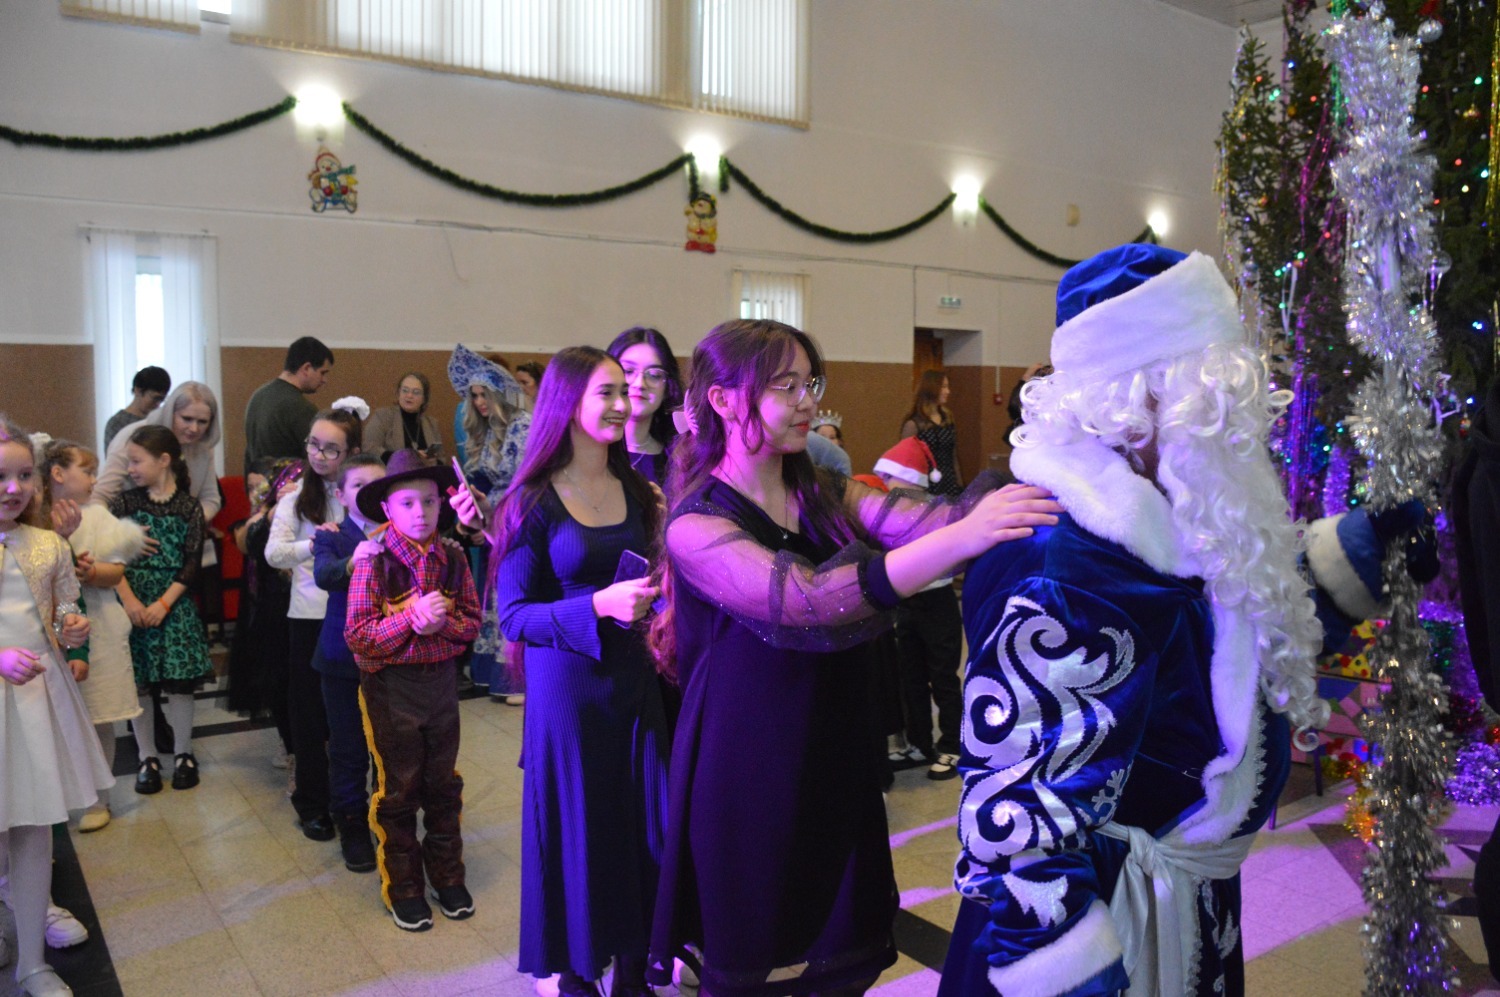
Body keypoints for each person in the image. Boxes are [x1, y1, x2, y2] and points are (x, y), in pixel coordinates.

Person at [937, 245, 1328, 997]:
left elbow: (1219, 658)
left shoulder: (1185, 511)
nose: (1231, 420)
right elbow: (1021, 823)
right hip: (1112, 929)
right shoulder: (1062, 557)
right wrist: (1074, 974)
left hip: (1180, 908)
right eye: (1210, 392)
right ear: (1139, 397)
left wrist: (1348, 566)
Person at [646, 319, 1060, 997]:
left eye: (810, 383)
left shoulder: (820, 489)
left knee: (840, 947)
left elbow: (931, 520)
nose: (807, 401)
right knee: (760, 949)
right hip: (747, 760)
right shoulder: (697, 523)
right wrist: (963, 539)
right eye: (785, 386)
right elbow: (809, 599)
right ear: (722, 399)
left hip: (831, 741)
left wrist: (1049, 474)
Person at [468, 346, 667, 997]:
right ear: (567, 403)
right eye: (606, 392)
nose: (622, 404)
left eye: (624, 391)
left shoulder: (639, 490)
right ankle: (579, 971)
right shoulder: (532, 500)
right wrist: (598, 606)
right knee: (580, 833)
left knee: (641, 828)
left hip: (633, 680)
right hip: (569, 693)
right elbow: (515, 616)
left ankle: (635, 970)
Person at [345, 449, 481, 932]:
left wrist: (441, 625)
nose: (420, 512)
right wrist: (409, 619)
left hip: (441, 685)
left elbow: (472, 622)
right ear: (387, 509)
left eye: (429, 501)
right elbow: (358, 637)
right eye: (407, 503)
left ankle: (447, 874)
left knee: (442, 784)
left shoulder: (454, 558)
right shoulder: (374, 561)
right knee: (399, 788)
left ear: (442, 504)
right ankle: (403, 885)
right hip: (391, 689)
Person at [0, 417, 106, 997]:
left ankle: (32, 961)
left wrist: (71, 627)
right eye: (1, 476)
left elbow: (65, 607)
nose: (13, 488)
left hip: (37, 698)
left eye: (24, 476)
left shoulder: (48, 545)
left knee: (34, 823)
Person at [266, 400, 365, 844]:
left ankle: (357, 801)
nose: (319, 455)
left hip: (356, 613)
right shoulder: (294, 499)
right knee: (309, 716)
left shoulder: (360, 495)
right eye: (314, 444)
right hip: (308, 615)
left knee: (354, 716)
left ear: (351, 453)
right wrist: (316, 545)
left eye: (331, 449)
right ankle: (312, 803)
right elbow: (274, 553)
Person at [38, 438, 147, 832]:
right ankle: (59, 797)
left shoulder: (97, 516)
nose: (94, 479)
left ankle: (99, 799)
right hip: (50, 628)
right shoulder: (35, 518)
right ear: (57, 474)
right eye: (86, 471)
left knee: (97, 714)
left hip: (96, 623)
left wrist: (89, 571)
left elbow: (116, 572)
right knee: (55, 717)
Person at [110, 425, 214, 795]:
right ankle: (147, 756)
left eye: (137, 461)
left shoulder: (189, 507)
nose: (130, 469)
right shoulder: (124, 505)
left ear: (164, 460)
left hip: (173, 604)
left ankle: (184, 753)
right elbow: (111, 557)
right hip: (133, 603)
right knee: (140, 681)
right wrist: (131, 601)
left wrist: (163, 604)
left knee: (180, 681)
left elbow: (191, 564)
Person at [869, 437, 965, 780]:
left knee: (943, 677)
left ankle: (952, 745)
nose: (885, 483)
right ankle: (920, 743)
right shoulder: (889, 512)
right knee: (910, 677)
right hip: (906, 602)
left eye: (891, 476)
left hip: (937, 603)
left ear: (909, 478)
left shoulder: (936, 512)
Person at [311, 452, 385, 874]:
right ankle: (351, 820)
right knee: (348, 745)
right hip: (342, 657)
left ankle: (386, 813)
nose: (368, 492)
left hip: (391, 656)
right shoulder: (333, 535)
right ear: (340, 495)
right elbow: (324, 575)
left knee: (388, 744)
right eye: (358, 485)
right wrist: (353, 559)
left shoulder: (400, 528)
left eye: (377, 484)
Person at [448, 343, 531, 696]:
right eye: (475, 396)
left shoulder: (522, 425)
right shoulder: (486, 430)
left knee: (510, 593)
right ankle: (495, 676)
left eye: (485, 394)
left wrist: (494, 513)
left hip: (517, 521)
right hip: (490, 522)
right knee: (492, 594)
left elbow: (526, 482)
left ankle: (517, 678)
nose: (480, 402)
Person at [224, 460, 300, 773]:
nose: (255, 491)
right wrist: (268, 510)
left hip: (303, 603)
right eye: (251, 487)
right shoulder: (263, 516)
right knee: (278, 681)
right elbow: (246, 543)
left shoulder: (303, 501)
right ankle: (292, 749)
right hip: (271, 608)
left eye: (262, 486)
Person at [94, 381, 222, 525]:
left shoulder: (203, 445)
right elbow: (100, 496)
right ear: (170, 412)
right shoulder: (133, 437)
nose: (194, 429)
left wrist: (187, 524)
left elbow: (210, 499)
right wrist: (124, 530)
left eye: (202, 422)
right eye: (187, 419)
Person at [243, 336, 335, 474]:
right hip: (290, 485)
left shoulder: (257, 396)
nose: (324, 380)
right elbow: (319, 460)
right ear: (306, 368)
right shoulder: (300, 408)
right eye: (322, 373)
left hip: (258, 484)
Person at [607, 327, 683, 489]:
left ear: (668, 388)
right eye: (628, 371)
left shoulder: (679, 458)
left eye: (654, 375)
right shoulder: (590, 451)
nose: (640, 384)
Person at [899, 370, 962, 496]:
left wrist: (960, 484)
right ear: (932, 389)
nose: (948, 391)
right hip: (925, 484)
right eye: (943, 387)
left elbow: (953, 455)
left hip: (949, 483)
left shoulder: (947, 419)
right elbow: (906, 461)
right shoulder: (914, 424)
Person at [363, 373, 442, 462]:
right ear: (398, 394)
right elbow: (370, 448)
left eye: (416, 392)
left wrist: (431, 461)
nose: (409, 395)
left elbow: (441, 459)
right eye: (405, 390)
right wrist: (407, 457)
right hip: (391, 470)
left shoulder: (432, 424)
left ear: (424, 398)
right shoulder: (382, 417)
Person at [101, 366, 171, 452]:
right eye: (155, 398)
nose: (158, 404)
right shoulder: (116, 423)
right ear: (138, 390)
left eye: (162, 399)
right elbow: (113, 457)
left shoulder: (159, 420)